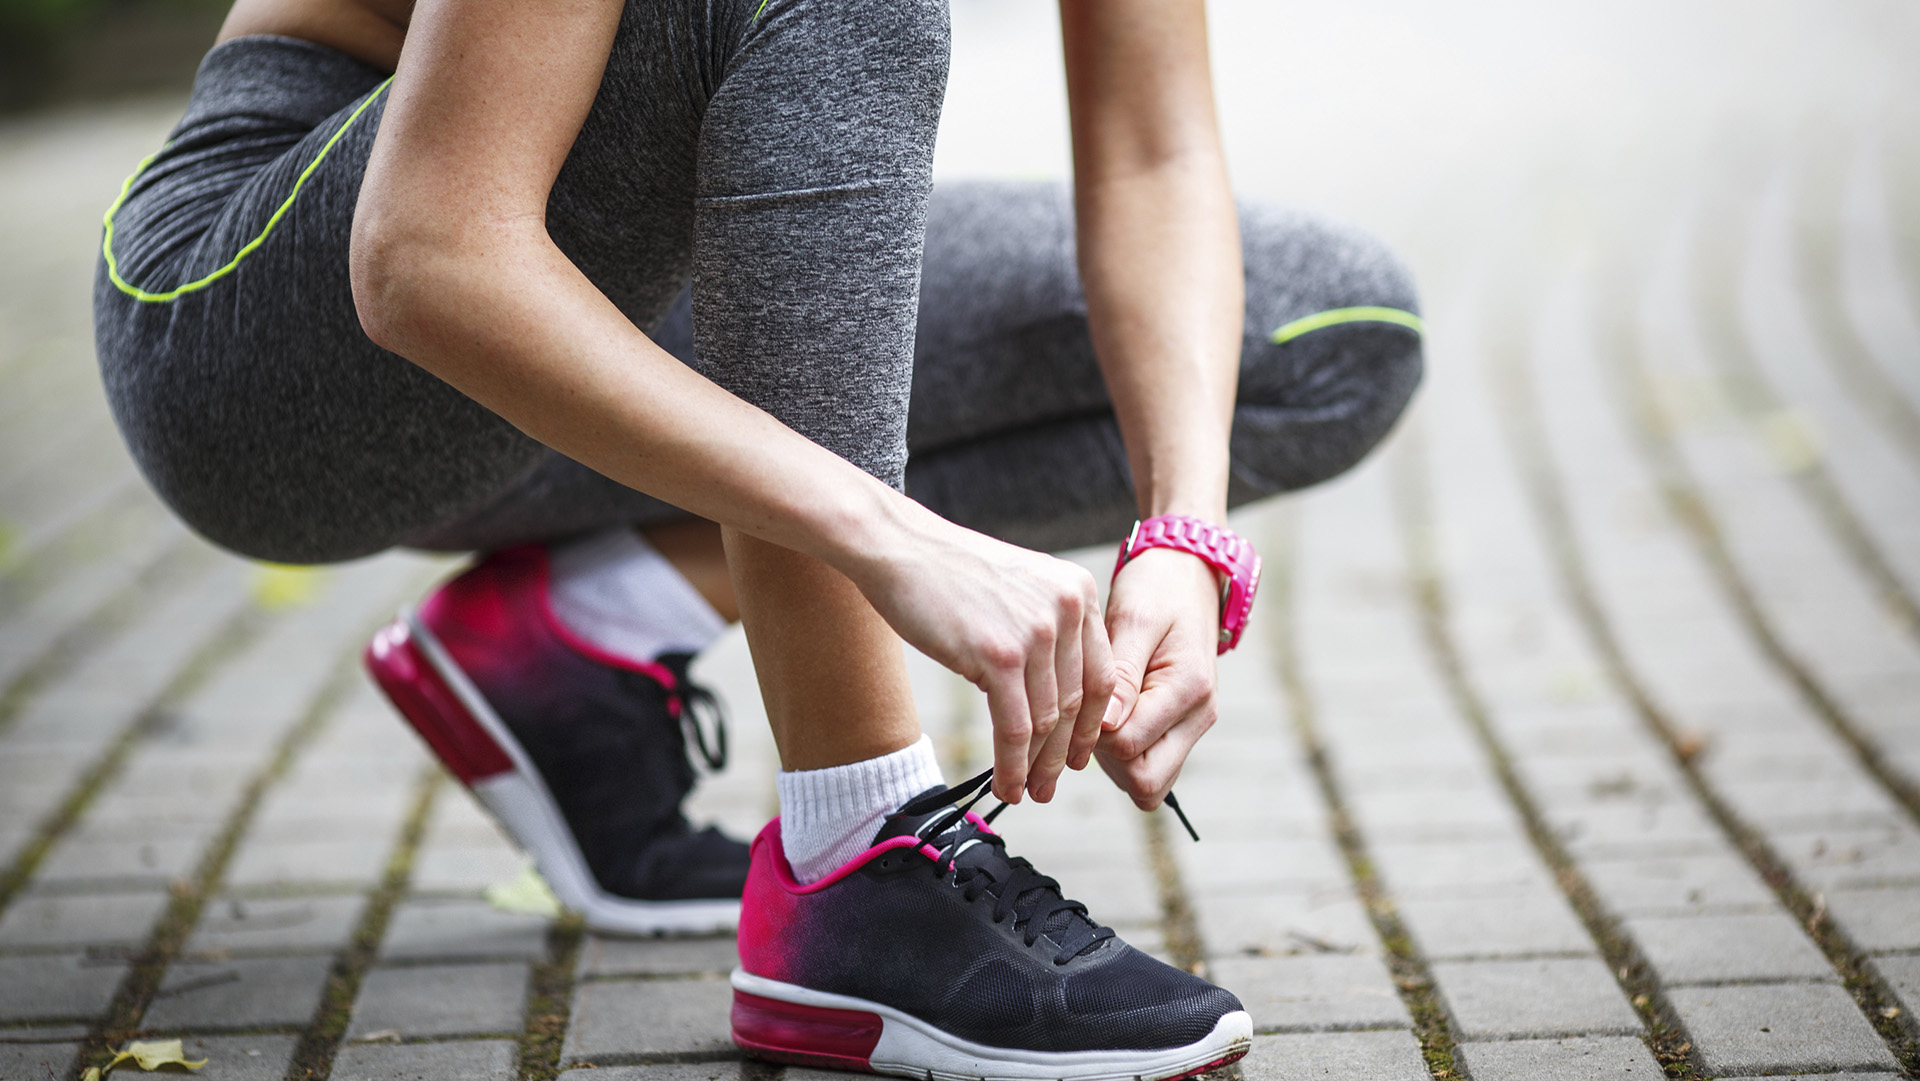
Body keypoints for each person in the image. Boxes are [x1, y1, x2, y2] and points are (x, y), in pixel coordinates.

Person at [93, 0, 1422, 1074]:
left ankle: (582, 636)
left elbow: (1154, 151)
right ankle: (852, 851)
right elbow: (426, 251)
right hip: (275, 330)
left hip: (604, 323)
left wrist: (1184, 534)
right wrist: (889, 536)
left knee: (1323, 335)